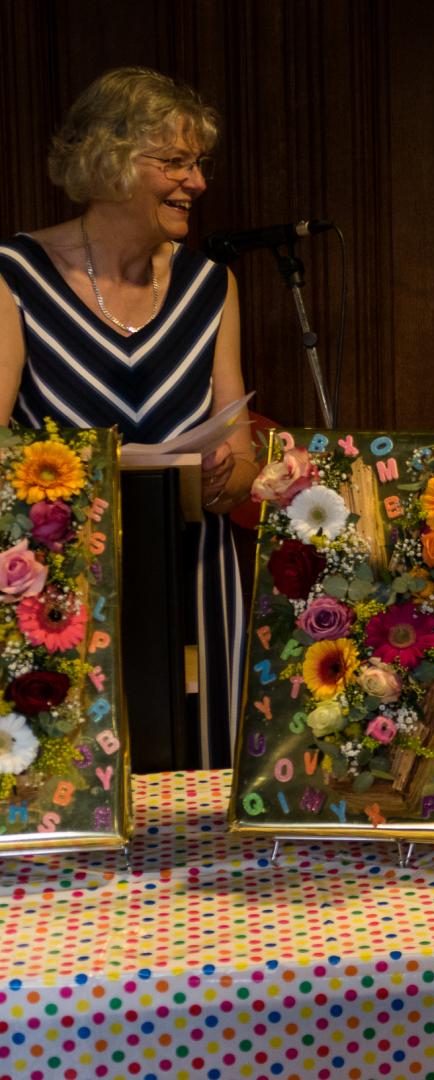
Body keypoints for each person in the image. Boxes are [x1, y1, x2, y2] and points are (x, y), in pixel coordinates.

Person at [0, 67, 255, 764]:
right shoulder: (15, 275)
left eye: (198, 163)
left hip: (194, 583)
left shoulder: (211, 286)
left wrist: (226, 475)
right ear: (107, 161)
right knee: (76, 780)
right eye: (174, 162)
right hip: (61, 593)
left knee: (199, 786)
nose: (196, 183)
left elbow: (241, 461)